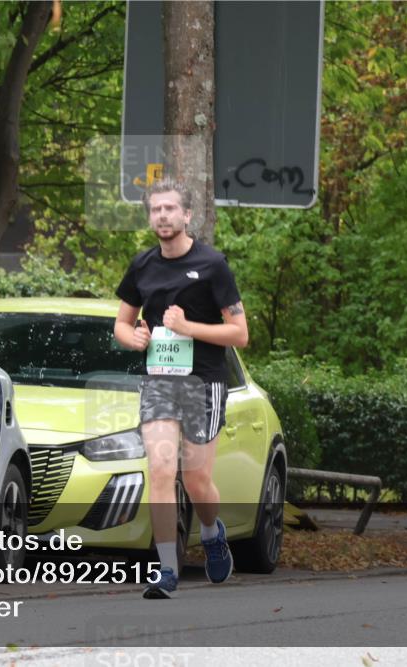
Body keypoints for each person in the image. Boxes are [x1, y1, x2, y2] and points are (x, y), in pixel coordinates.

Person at [113, 177, 249, 599]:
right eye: (156, 210)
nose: (163, 216)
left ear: (187, 215)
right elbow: (121, 322)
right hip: (158, 383)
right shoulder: (142, 266)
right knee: (159, 470)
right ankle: (167, 569)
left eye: (170, 209)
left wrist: (186, 327)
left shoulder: (213, 265)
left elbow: (240, 334)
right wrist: (130, 337)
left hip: (202, 384)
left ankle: (210, 531)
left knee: (196, 481)